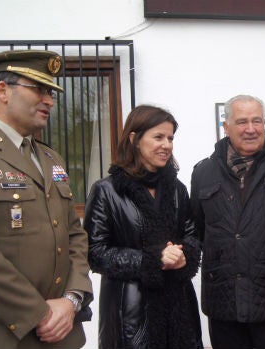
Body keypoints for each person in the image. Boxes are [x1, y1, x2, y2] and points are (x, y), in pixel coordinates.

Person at [0, 49, 93, 348]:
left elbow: (74, 235)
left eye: (51, 92)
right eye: (39, 90)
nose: (49, 100)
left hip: (61, 331)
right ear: (3, 91)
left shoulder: (50, 157)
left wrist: (70, 301)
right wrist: (39, 313)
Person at [191, 94, 265, 349]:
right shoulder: (203, 173)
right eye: (242, 122)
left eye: (257, 121)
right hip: (224, 303)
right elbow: (198, 231)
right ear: (226, 127)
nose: (251, 129)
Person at [84, 105, 202, 349]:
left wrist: (185, 256)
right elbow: (95, 253)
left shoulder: (177, 189)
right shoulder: (107, 191)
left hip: (179, 311)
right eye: (158, 137)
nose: (167, 145)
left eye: (170, 138)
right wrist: (152, 260)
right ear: (135, 139)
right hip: (131, 313)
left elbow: (192, 235)